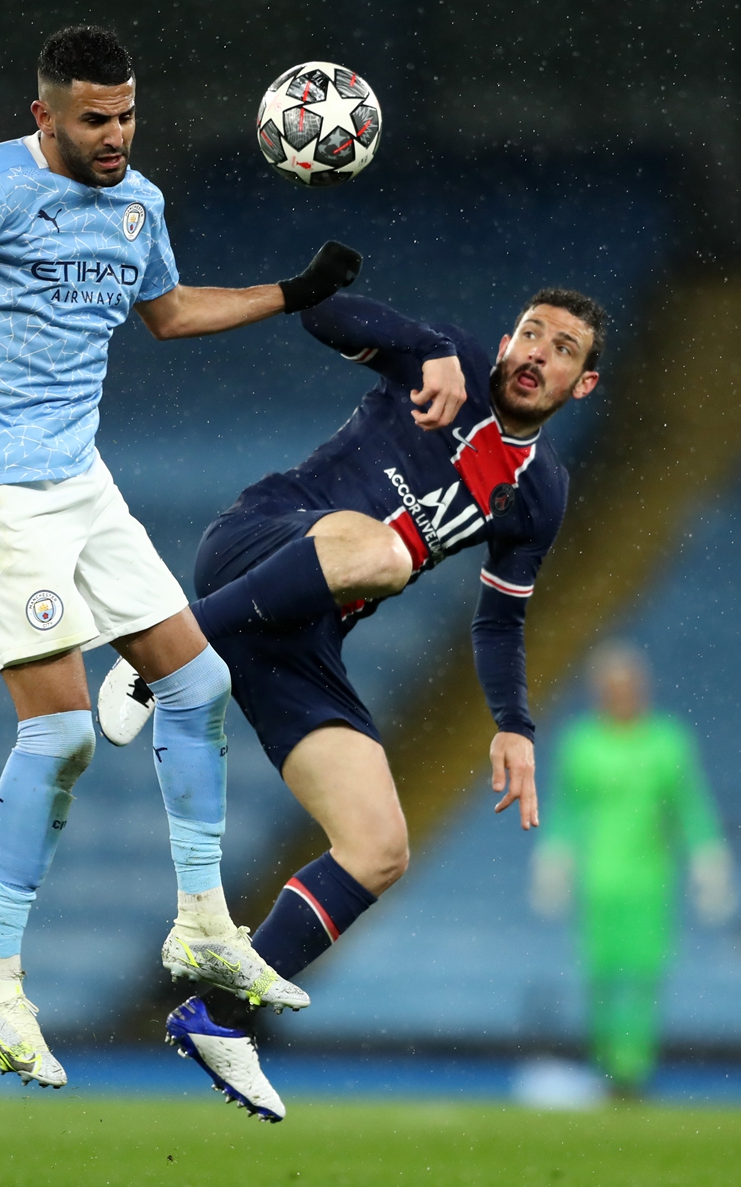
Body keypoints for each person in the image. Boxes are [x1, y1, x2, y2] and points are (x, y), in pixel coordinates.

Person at [0, 24, 362, 1089]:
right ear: (43, 115)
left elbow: (168, 313)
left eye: (127, 115)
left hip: (78, 480)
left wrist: (289, 294)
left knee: (195, 679)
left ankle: (199, 927)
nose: (115, 136)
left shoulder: (141, 205)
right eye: (93, 119)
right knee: (63, 731)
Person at [98, 283, 606, 1119]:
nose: (537, 355)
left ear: (581, 385)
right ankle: (167, 652)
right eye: (531, 334)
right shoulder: (453, 357)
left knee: (379, 848)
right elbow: (323, 312)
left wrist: (513, 724)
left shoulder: (541, 492)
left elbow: (501, 619)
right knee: (386, 552)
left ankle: (221, 1022)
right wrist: (420, 340)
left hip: (300, 636)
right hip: (263, 543)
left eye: (562, 350)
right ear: (506, 335)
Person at [530, 641, 736, 1096]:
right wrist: (555, 857)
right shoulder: (582, 744)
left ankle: (633, 1070)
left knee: (645, 975)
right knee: (600, 975)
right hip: (599, 880)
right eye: (612, 686)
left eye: (628, 686)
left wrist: (707, 856)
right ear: (599, 690)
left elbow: (691, 806)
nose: (621, 694)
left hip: (651, 879)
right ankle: (606, 1066)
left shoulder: (668, 741)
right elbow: (566, 809)